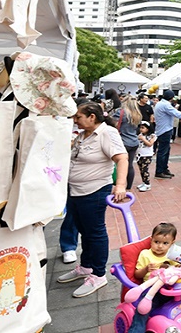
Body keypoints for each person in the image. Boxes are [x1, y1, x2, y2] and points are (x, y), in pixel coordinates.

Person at [57, 101, 129, 298]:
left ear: (92, 117)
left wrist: (120, 185)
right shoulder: (83, 135)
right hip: (76, 191)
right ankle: (86, 267)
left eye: (78, 117)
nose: (75, 120)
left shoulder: (106, 133)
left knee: (95, 232)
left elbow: (122, 158)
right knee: (84, 231)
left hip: (94, 190)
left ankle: (98, 274)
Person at [126, 223, 181, 333]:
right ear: (151, 240)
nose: (160, 246)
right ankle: (136, 330)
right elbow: (137, 274)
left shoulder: (173, 255)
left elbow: (180, 270)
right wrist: (146, 269)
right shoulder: (145, 254)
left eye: (165, 243)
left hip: (173, 288)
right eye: (156, 242)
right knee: (143, 309)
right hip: (152, 290)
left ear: (172, 244)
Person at [153, 89, 181, 179]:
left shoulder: (160, 103)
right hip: (165, 130)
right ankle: (160, 171)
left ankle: (164, 169)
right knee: (163, 151)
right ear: (171, 97)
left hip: (162, 129)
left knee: (165, 151)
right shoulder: (166, 105)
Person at [113, 96, 142, 190]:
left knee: (120, 164)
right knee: (130, 165)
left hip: (122, 141)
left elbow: (113, 124)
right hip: (134, 141)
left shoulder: (121, 112)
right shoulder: (137, 114)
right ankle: (129, 186)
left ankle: (119, 184)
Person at [134, 121, 156, 192]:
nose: (141, 129)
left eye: (143, 128)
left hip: (147, 155)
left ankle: (147, 184)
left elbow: (150, 144)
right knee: (141, 170)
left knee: (145, 170)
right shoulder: (139, 135)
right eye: (140, 127)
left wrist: (143, 139)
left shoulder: (152, 136)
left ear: (148, 129)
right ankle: (144, 182)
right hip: (139, 155)